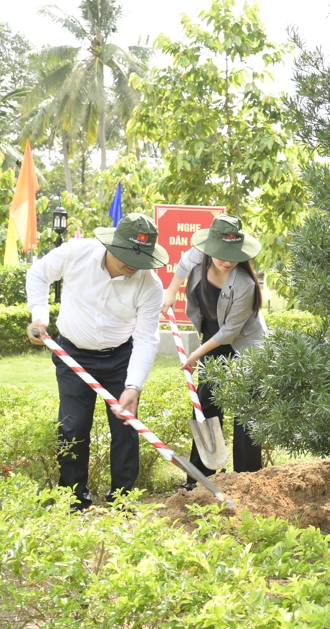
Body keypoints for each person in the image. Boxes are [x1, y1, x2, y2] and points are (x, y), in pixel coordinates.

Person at [26, 213, 167, 511]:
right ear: (112, 245)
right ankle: (74, 500)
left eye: (140, 259)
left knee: (126, 429)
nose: (133, 265)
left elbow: (146, 339)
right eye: (127, 256)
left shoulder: (150, 286)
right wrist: (39, 316)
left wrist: (133, 386)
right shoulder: (76, 253)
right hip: (73, 354)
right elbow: (38, 274)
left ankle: (123, 501)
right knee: (73, 427)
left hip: (120, 358)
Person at [162, 215, 268, 488]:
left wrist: (194, 355)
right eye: (221, 253)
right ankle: (199, 480)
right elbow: (183, 267)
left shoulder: (244, 283)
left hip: (245, 344)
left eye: (233, 254)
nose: (227, 260)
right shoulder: (199, 256)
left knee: (246, 410)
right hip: (212, 336)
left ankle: (247, 480)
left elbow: (229, 333)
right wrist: (171, 293)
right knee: (206, 403)